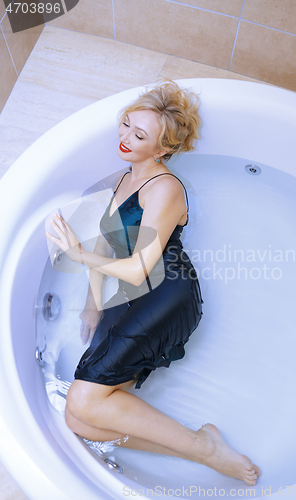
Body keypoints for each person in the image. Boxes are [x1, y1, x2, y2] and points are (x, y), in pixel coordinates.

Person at [46, 80, 260, 486]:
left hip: (167, 297)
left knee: (82, 401)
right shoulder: (126, 178)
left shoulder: (164, 189)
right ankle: (203, 450)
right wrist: (93, 304)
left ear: (162, 149)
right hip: (132, 295)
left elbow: (137, 269)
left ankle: (206, 448)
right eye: (126, 125)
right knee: (80, 419)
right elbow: (109, 247)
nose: (124, 139)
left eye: (139, 135)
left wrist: (76, 254)